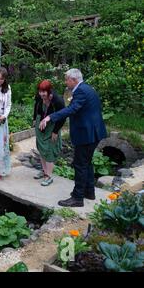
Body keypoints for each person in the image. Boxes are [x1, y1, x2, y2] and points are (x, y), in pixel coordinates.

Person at [39, 69, 107, 207]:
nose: (65, 82)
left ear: (74, 80)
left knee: (80, 164)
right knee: (86, 163)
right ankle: (89, 191)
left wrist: (50, 117)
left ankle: (77, 198)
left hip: (87, 134)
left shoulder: (81, 91)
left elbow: (72, 109)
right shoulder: (86, 88)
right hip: (93, 132)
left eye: (66, 79)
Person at [33, 80, 66, 186]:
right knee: (42, 148)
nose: (42, 94)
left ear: (49, 91)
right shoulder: (39, 97)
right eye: (40, 91)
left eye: (44, 92)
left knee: (50, 149)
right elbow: (36, 107)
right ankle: (44, 172)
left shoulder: (58, 100)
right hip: (40, 124)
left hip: (52, 126)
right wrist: (34, 119)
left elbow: (63, 117)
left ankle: (49, 176)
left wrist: (55, 131)